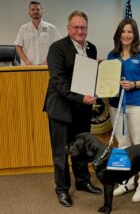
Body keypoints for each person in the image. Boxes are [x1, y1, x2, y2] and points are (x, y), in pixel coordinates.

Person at [43, 11, 102, 208]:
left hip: (82, 109)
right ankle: (62, 190)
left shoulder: (91, 48)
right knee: (61, 152)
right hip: (61, 109)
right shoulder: (57, 48)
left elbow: (90, 75)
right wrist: (80, 98)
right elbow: (59, 82)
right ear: (68, 29)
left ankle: (83, 181)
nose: (79, 31)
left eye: (83, 27)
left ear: (87, 28)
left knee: (81, 149)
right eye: (75, 27)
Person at [107, 18, 140, 203]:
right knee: (123, 145)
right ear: (118, 34)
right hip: (116, 105)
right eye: (123, 31)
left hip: (138, 106)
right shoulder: (112, 55)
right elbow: (107, 78)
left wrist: (134, 84)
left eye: (130, 32)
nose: (126, 35)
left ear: (134, 35)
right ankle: (126, 182)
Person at [15, 1, 61, 65]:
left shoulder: (51, 28)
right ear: (29, 12)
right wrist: (26, 62)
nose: (35, 12)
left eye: (38, 9)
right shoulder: (23, 28)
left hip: (48, 66)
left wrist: (49, 60)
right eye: (32, 10)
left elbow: (59, 46)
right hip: (29, 67)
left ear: (42, 11)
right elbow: (18, 46)